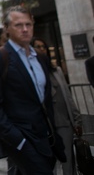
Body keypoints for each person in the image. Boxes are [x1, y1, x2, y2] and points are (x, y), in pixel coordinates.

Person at [0, 6, 66, 175]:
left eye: (28, 24)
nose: (25, 29)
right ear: (7, 28)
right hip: (22, 138)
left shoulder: (40, 58)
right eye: (18, 25)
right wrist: (17, 140)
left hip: (46, 138)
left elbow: (45, 100)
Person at [32, 37, 82, 175]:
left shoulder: (56, 71)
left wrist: (77, 118)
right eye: (37, 46)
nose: (41, 49)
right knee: (49, 164)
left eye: (43, 46)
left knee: (68, 162)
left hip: (64, 122)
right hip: (45, 126)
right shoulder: (32, 73)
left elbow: (67, 96)